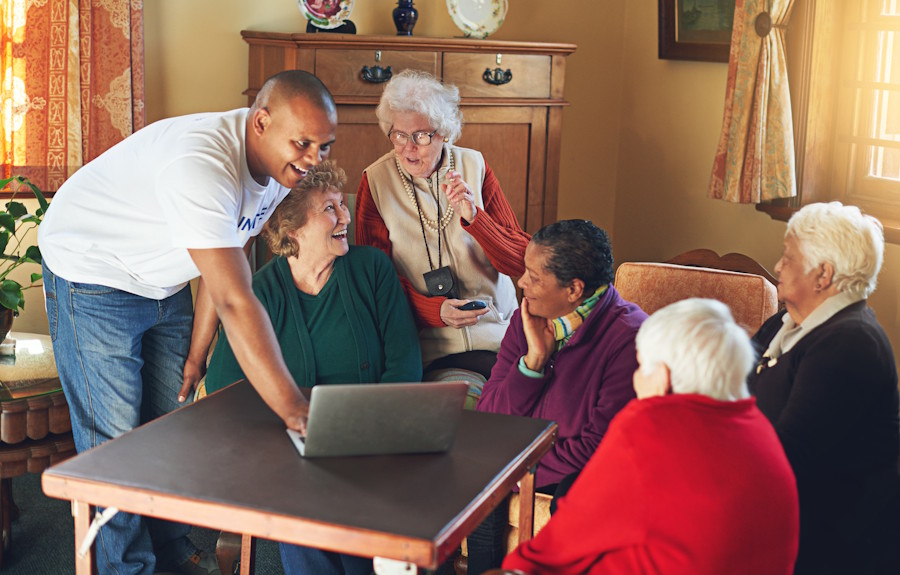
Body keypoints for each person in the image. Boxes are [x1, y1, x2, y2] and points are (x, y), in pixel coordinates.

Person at [38, 70, 337, 575]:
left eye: (324, 147)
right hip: (91, 273)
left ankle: (170, 557)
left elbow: (226, 262)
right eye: (303, 143)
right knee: (115, 441)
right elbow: (237, 299)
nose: (312, 160)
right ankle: (125, 569)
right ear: (261, 122)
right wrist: (295, 410)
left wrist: (196, 356)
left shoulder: (275, 167)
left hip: (163, 281)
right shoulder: (202, 165)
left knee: (170, 429)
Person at [203, 160, 421, 575]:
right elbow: (225, 385)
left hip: (368, 432)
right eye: (329, 210)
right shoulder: (260, 293)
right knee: (303, 491)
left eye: (342, 206)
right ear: (291, 231)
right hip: (294, 446)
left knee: (348, 490)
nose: (344, 218)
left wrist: (373, 423)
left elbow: (403, 361)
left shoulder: (371, 270)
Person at [501, 298, 800, 575]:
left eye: (641, 366)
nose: (636, 378)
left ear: (662, 377)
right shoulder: (759, 429)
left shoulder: (649, 428)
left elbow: (555, 547)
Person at [469, 219, 646, 574]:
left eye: (534, 277)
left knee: (486, 484)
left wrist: (518, 474)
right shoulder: (527, 318)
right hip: (513, 460)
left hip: (566, 475)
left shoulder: (628, 337)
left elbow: (597, 447)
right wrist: (532, 364)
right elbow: (490, 415)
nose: (521, 284)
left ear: (574, 290)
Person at [747, 202, 900, 575]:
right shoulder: (788, 321)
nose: (778, 266)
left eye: (788, 258)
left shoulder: (850, 345)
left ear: (823, 275)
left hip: (827, 545)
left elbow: (789, 458)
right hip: (776, 515)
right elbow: (739, 378)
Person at [355, 69, 530, 379]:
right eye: (398, 134)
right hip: (431, 351)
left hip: (501, 338)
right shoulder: (376, 183)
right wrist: (434, 311)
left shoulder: (474, 166)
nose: (408, 147)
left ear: (444, 132)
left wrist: (475, 219)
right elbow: (374, 285)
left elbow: (520, 260)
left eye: (421, 136)